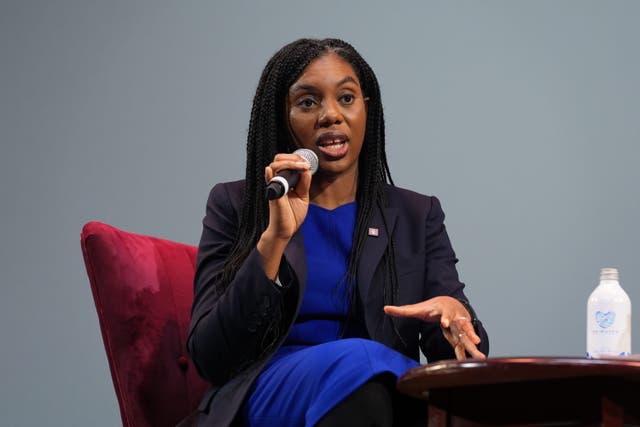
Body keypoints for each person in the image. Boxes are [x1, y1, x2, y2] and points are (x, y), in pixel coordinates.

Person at [185, 38, 489, 427]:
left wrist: (456, 319)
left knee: (376, 385)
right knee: (359, 361)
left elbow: (462, 360)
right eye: (308, 102)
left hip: (379, 392)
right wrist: (273, 239)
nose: (331, 115)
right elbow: (210, 356)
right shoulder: (239, 204)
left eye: (346, 98)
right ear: (281, 117)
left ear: (368, 111)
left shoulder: (416, 214)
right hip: (271, 396)